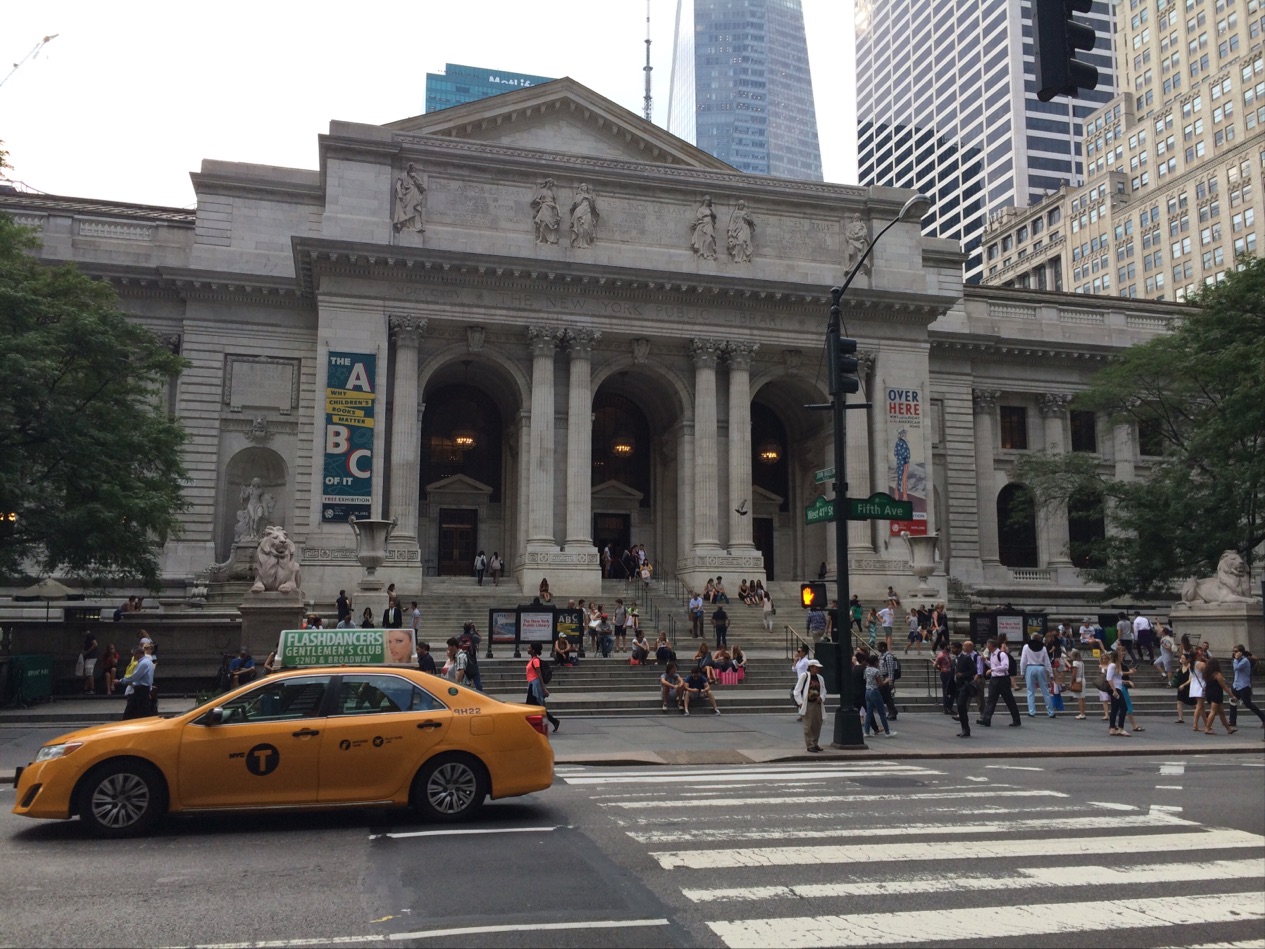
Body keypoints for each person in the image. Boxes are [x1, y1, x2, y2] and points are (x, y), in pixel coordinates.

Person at [980, 637, 1022, 727]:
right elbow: (993, 664)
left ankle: (1016, 719)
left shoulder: (1001, 654)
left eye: (988, 645)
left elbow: (1005, 667)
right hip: (994, 679)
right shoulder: (992, 655)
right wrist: (985, 662)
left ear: (991, 645)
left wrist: (992, 670)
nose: (987, 647)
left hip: (1003, 679)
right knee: (991, 700)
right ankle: (986, 719)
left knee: (1009, 700)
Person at [525, 642, 560, 732]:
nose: (528, 649)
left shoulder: (535, 660)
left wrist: (544, 689)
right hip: (532, 684)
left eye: (529, 648)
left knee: (531, 706)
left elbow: (539, 674)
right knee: (535, 706)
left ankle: (533, 725)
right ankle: (553, 721)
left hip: (535, 685)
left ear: (533, 650)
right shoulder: (532, 659)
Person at [794, 658, 827, 752]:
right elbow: (797, 690)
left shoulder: (820, 678)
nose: (817, 669)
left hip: (817, 703)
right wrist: (800, 702)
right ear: (811, 668)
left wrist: (821, 697)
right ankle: (810, 744)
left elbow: (824, 690)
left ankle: (815, 743)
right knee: (808, 725)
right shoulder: (804, 676)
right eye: (816, 667)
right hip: (808, 703)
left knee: (817, 724)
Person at [1020, 634, 1056, 718]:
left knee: (1030, 691)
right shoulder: (1043, 647)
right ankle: (1051, 712)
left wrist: (1022, 672)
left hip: (1030, 667)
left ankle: (1032, 711)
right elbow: (1047, 661)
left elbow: (1023, 660)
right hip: (1041, 667)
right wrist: (1051, 673)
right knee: (1045, 691)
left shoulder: (1026, 646)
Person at [117, 646, 155, 720]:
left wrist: (121, 681)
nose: (133, 657)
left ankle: (126, 722)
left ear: (138, 654)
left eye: (134, 655)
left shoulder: (143, 663)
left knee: (132, 709)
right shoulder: (148, 662)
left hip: (141, 689)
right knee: (142, 709)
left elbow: (135, 677)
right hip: (145, 688)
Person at [1201, 652, 1236, 735]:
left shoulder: (1207, 674)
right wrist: (1231, 695)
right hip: (1216, 693)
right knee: (1213, 711)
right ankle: (1208, 728)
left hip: (1209, 692)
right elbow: (1223, 686)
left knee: (1221, 712)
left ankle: (1228, 729)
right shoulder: (1217, 674)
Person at [862, 653, 895, 738]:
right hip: (875, 692)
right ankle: (887, 732)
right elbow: (880, 683)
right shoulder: (876, 671)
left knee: (869, 712)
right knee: (882, 713)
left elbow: (865, 679)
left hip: (867, 691)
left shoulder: (866, 669)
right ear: (875, 662)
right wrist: (887, 680)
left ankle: (866, 731)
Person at [955, 641, 980, 737]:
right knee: (960, 707)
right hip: (957, 685)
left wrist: (963, 675)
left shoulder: (966, 658)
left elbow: (974, 670)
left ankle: (966, 729)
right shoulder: (955, 659)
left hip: (965, 685)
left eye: (953, 648)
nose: (952, 650)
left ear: (958, 649)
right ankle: (964, 728)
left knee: (961, 705)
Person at [392, 162, 426, 233]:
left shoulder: (416, 177)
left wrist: (415, 179)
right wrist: (400, 194)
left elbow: (422, 189)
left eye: (414, 168)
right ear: (409, 169)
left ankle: (417, 226)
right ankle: (406, 225)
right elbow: (398, 185)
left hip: (414, 196)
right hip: (406, 196)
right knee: (407, 211)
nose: (413, 170)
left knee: (415, 209)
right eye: (412, 168)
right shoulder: (402, 175)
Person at [531, 178, 561, 244]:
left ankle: (549, 240)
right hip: (544, 207)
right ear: (546, 183)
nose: (550, 185)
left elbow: (556, 203)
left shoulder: (552, 193)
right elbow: (535, 200)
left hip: (552, 209)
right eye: (550, 183)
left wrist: (559, 213)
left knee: (551, 225)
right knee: (543, 223)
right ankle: (541, 239)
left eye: (552, 184)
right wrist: (540, 201)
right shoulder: (541, 191)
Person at [1106, 650, 1128, 736]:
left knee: (1115, 708)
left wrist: (1126, 682)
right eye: (1121, 655)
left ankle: (1112, 727)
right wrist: (1114, 690)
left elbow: (1117, 679)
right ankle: (1120, 728)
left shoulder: (1116, 666)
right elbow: (1109, 678)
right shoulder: (1113, 665)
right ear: (1117, 657)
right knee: (1124, 707)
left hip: (1117, 687)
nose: (1122, 657)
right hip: (1115, 689)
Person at [570, 182, 599, 247]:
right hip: (579, 211)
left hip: (587, 211)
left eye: (585, 186)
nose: (584, 187)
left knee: (587, 226)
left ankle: (586, 243)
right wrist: (582, 198)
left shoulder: (589, 196)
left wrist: (589, 199)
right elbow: (577, 204)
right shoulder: (578, 195)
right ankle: (579, 242)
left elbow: (591, 206)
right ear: (581, 188)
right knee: (580, 227)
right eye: (583, 186)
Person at [690, 194, 717, 259]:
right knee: (702, 239)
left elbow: (715, 216)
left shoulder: (710, 209)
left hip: (709, 224)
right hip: (702, 225)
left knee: (709, 238)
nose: (708, 201)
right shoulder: (700, 209)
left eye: (709, 200)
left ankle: (709, 253)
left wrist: (711, 213)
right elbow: (698, 217)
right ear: (704, 201)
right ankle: (702, 252)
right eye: (707, 200)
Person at [1068, 648, 1088, 719]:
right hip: (1083, 679)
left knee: (1079, 698)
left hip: (1078, 680)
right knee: (1082, 698)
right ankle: (1083, 713)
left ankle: (1081, 713)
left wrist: (1071, 682)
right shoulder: (1081, 662)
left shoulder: (1075, 663)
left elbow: (1074, 673)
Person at [79, 630, 99, 694]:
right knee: (88, 673)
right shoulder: (90, 636)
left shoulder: (90, 636)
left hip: (91, 656)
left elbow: (95, 644)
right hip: (91, 656)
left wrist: (87, 652)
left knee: (89, 672)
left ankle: (92, 689)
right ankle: (86, 688)